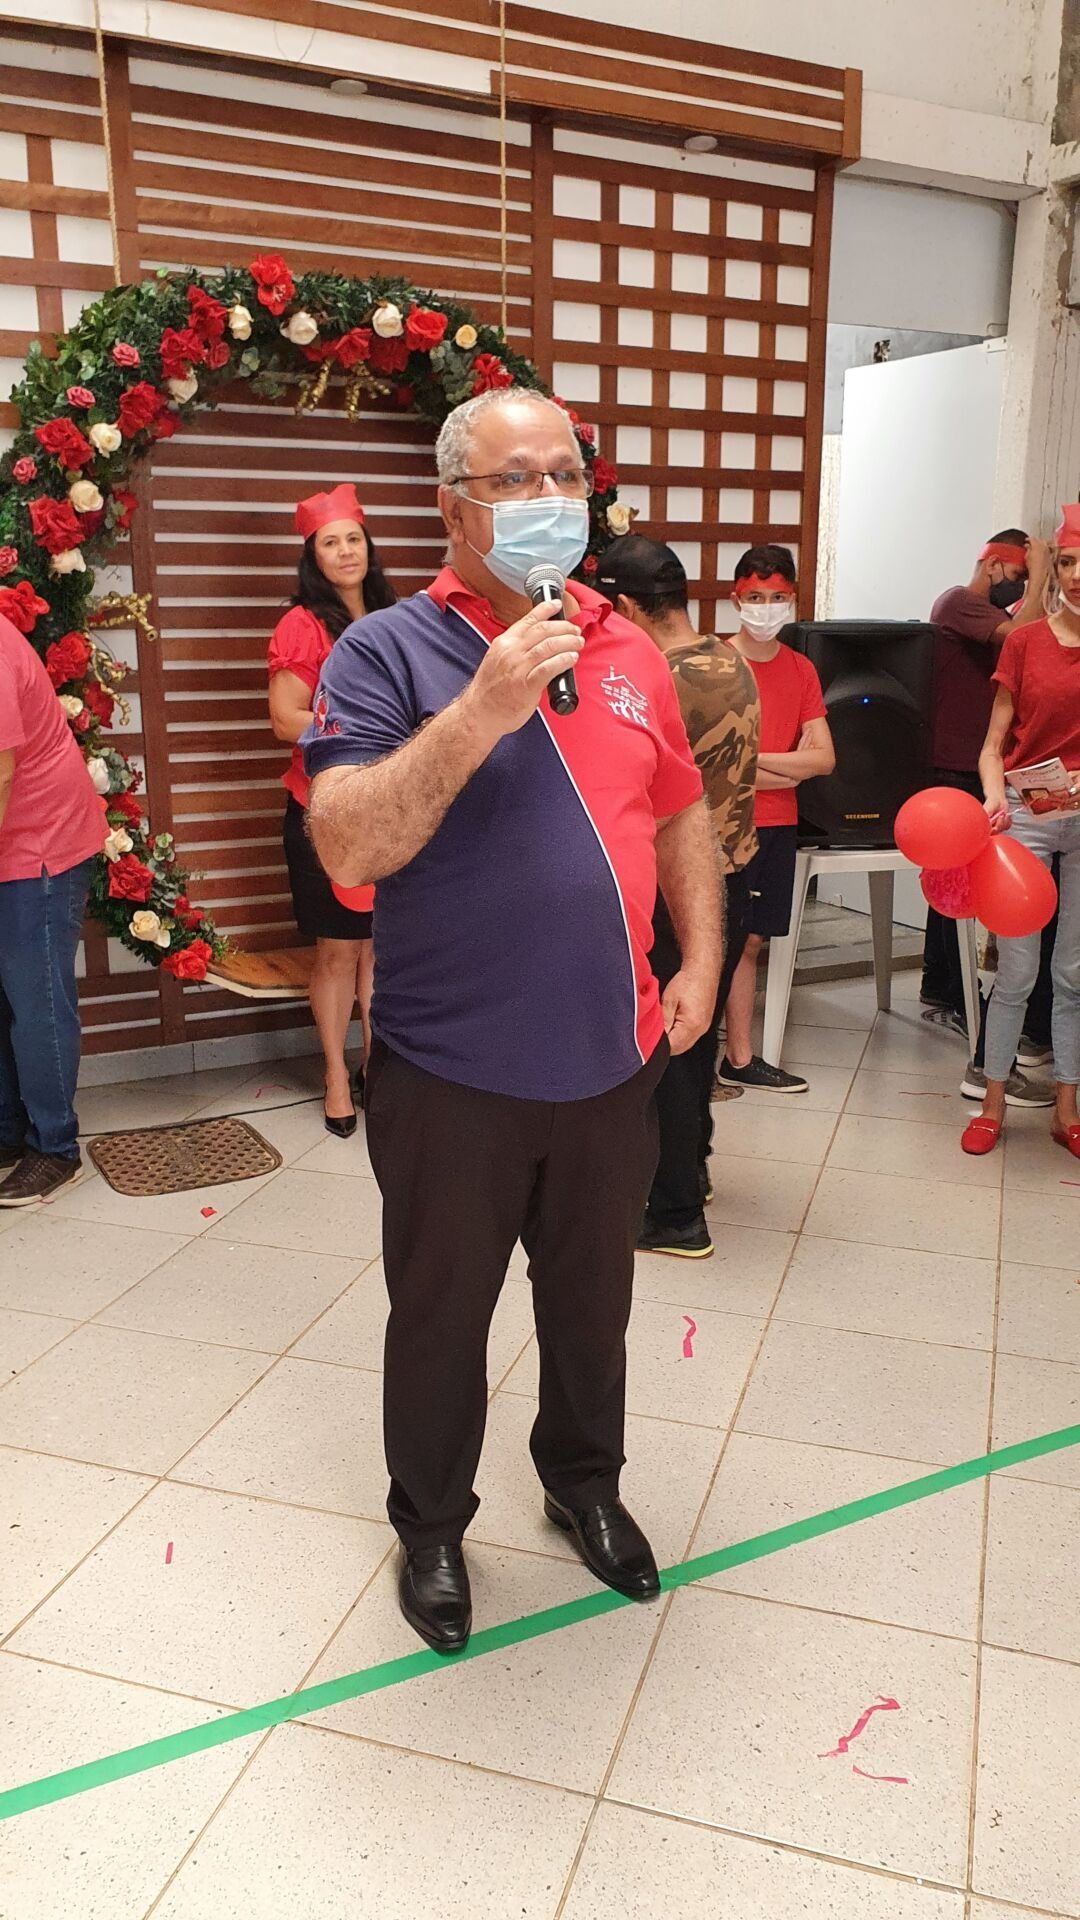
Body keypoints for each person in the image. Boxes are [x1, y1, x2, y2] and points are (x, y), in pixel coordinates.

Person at [304, 388, 720, 1653]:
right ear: (455, 508)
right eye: (515, 478)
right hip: (453, 1070)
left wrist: (702, 955)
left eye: (565, 476)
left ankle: (583, 1486)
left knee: (593, 1305)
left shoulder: (627, 646)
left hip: (613, 1054)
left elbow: (680, 809)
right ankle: (432, 1524)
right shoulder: (383, 652)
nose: (549, 499)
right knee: (442, 1313)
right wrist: (483, 705)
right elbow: (347, 845)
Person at [596, 534, 759, 1258]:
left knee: (668, 1051)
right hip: (736, 877)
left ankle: (675, 1213)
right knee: (697, 1044)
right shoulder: (730, 659)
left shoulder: (650, 678)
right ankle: (694, 1172)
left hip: (679, 889)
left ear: (628, 607)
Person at [268, 484, 395, 1136]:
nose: (346, 551)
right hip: (322, 810)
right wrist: (360, 729)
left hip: (389, 808)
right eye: (330, 542)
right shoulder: (302, 624)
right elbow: (284, 718)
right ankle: (335, 1076)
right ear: (312, 556)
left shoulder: (395, 615)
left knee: (382, 949)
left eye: (353, 538)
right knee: (338, 952)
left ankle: (378, 1065)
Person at [961, 505, 1080, 1159]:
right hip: (1025, 815)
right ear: (1054, 569)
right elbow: (992, 745)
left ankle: (1066, 1108)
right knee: (1016, 972)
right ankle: (992, 1102)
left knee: (1073, 973)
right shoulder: (1025, 642)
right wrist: (991, 797)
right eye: (1067, 562)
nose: (1077, 574)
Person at [920, 528, 1050, 1052]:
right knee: (956, 888)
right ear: (994, 564)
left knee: (954, 886)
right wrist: (1041, 577)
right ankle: (956, 996)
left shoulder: (983, 613)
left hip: (972, 766)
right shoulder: (960, 602)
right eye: (1017, 574)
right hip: (953, 766)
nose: (1020, 584)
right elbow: (1024, 639)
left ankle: (940, 986)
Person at [717, 545, 834, 1094]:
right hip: (721, 823)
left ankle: (739, 1057)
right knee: (713, 941)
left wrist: (751, 762)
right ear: (735, 599)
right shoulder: (714, 664)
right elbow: (709, 767)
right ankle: (692, 1060)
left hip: (778, 824)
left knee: (753, 940)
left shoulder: (801, 669)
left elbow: (824, 759)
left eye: (778, 598)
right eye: (756, 597)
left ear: (793, 600)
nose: (766, 608)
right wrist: (787, 767)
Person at [0, 614, 105, 1206]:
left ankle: (56, 1147)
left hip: (40, 839)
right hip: (10, 835)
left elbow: (1, 773)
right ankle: (8, 1132)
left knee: (36, 998)